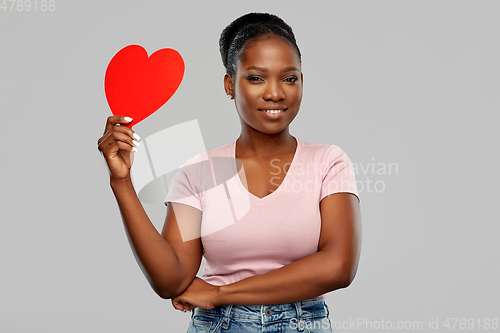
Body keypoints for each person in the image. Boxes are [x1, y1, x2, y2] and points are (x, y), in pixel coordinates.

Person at [98, 12, 361, 333]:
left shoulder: (328, 162)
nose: (275, 93)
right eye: (256, 78)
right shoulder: (199, 172)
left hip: (301, 322)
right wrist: (122, 182)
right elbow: (172, 279)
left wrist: (220, 293)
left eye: (289, 78)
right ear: (229, 83)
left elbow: (338, 267)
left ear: (302, 82)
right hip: (219, 325)